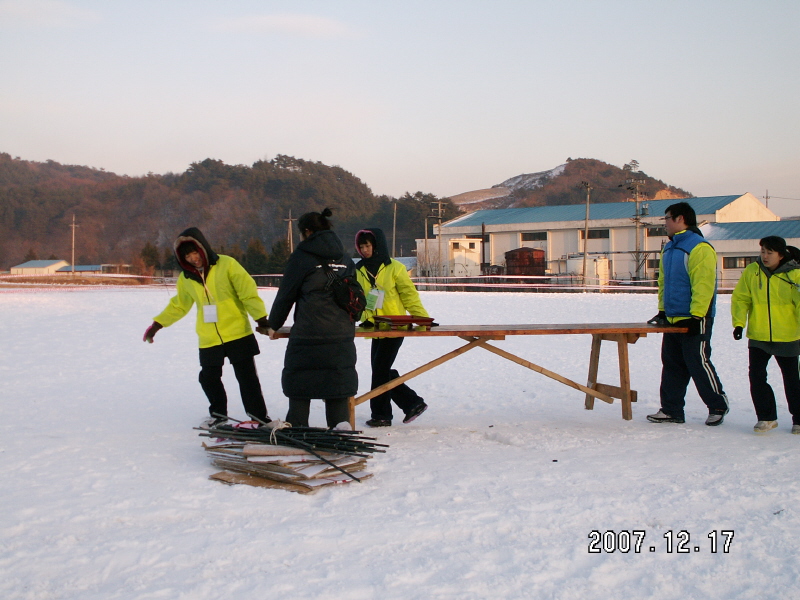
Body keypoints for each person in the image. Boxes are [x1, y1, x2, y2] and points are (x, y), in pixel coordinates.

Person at [143, 227, 271, 428]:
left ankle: (259, 418)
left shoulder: (227, 264)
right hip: (209, 336)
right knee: (208, 378)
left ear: (203, 248)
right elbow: (179, 304)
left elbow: (247, 292)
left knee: (247, 379)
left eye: (195, 252)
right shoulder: (186, 278)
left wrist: (261, 318)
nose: (194, 258)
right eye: (187, 255)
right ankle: (218, 415)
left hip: (237, 332)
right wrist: (157, 324)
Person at [265, 208, 357, 429]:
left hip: (308, 333)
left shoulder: (301, 258)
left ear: (306, 232)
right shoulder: (345, 257)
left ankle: (298, 431)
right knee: (337, 388)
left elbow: (286, 294)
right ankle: (340, 434)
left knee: (300, 385)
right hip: (341, 334)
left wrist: (274, 324)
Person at [646, 202, 729, 426]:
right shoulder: (670, 247)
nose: (664, 223)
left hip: (694, 318)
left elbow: (703, 285)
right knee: (672, 364)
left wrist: (697, 316)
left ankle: (717, 405)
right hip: (673, 317)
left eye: (667, 218)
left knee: (697, 361)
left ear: (680, 219)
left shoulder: (699, 247)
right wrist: (663, 310)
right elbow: (663, 282)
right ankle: (671, 409)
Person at [354, 228, 429, 427]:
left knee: (380, 369)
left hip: (396, 326)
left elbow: (409, 295)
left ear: (377, 244)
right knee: (380, 370)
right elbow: (359, 299)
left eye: (368, 245)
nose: (364, 250)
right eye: (361, 247)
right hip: (374, 328)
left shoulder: (395, 268)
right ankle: (391, 411)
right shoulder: (359, 269)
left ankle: (397, 409)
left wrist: (422, 319)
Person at [731, 236, 800, 434]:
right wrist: (738, 323)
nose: (765, 256)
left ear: (781, 254)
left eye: (770, 252)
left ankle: (799, 418)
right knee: (757, 376)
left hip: (788, 335)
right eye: (763, 252)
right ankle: (766, 417)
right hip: (759, 335)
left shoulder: (795, 274)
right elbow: (741, 298)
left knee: (792, 379)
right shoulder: (753, 272)